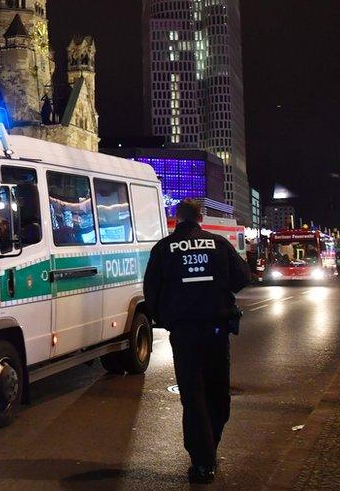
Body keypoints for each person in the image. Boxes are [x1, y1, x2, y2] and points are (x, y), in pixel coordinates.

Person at [143, 200, 250, 484]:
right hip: (216, 330)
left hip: (184, 333)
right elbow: (242, 278)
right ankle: (209, 450)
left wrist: (166, 318)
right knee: (217, 392)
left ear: (176, 218)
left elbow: (150, 293)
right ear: (200, 218)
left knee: (193, 396)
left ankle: (202, 461)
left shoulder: (164, 249)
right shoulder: (218, 243)